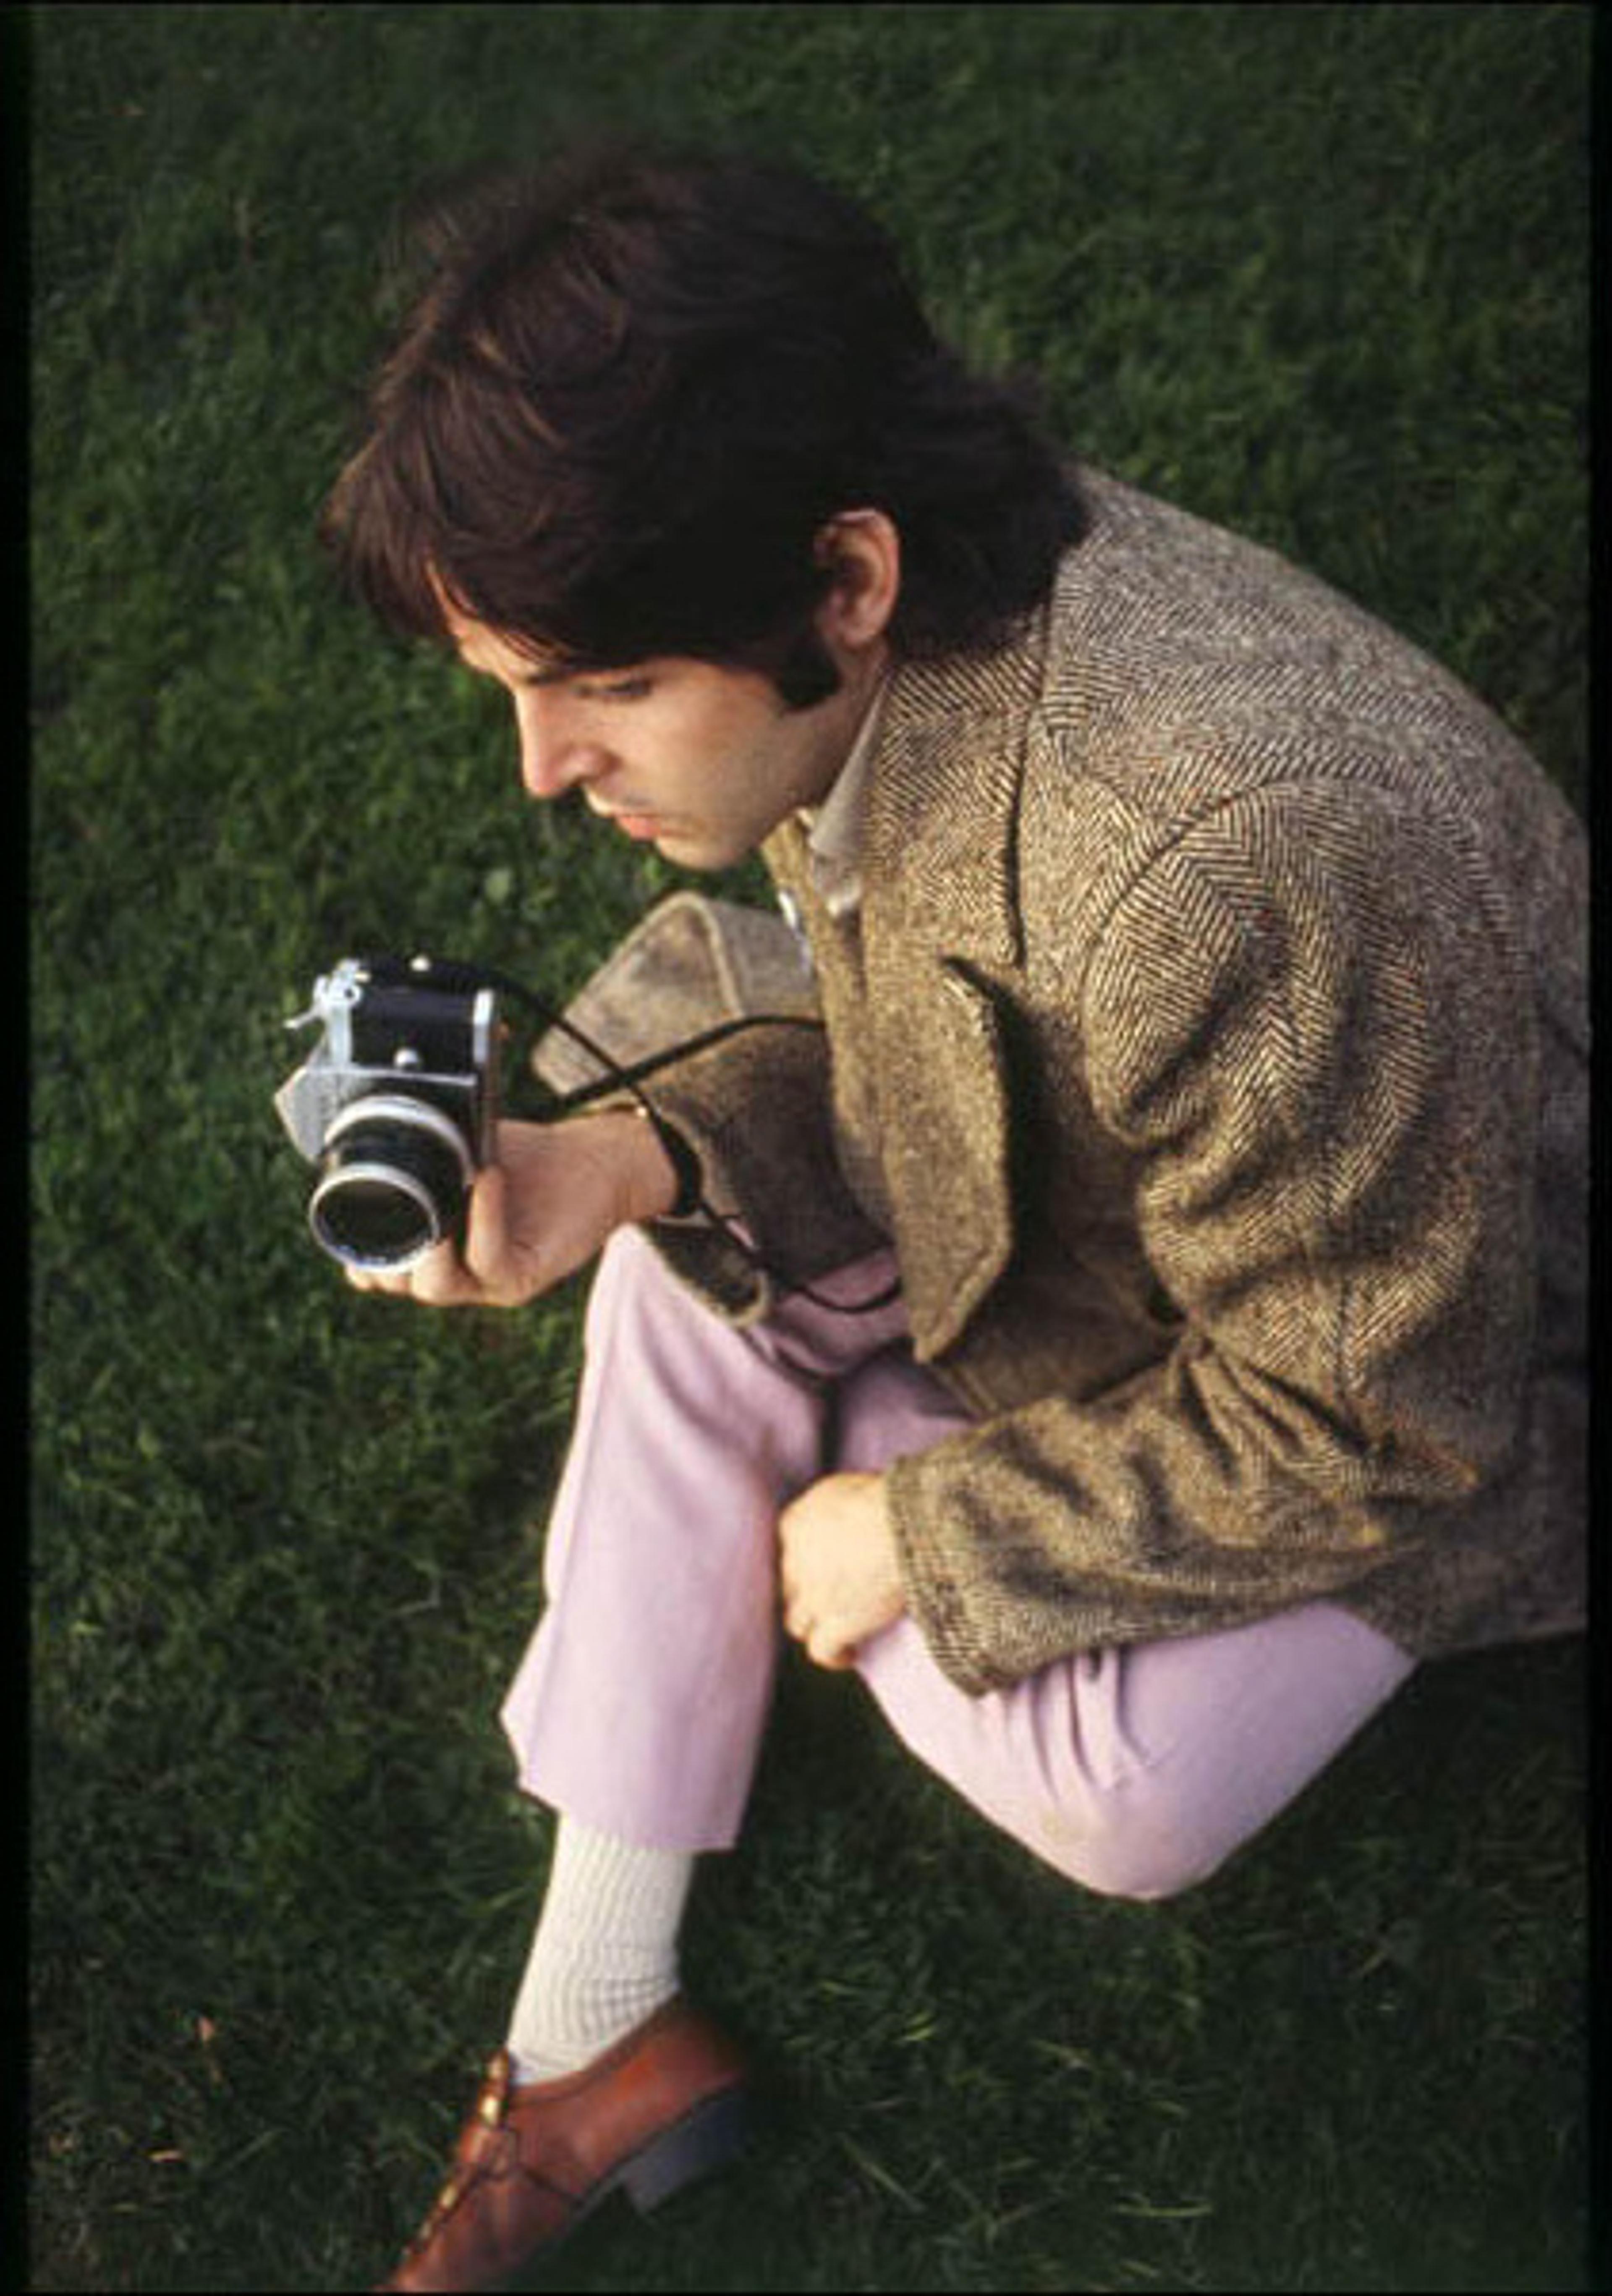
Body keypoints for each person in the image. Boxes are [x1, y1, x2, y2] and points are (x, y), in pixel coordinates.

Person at [319, 140, 1586, 2294]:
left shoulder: (1220, 869)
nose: (541, 769)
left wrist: (919, 1533)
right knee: (662, 1252)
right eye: (521, 689)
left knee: (1124, 1795)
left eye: (604, 687)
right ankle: (592, 2022)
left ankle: (811, 1456)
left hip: (1473, 1351)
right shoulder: (891, 625)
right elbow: (913, 997)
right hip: (1157, 1198)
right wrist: (624, 1160)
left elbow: (1384, 1411)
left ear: (845, 578)